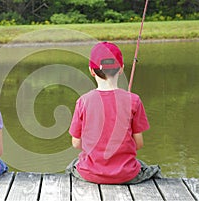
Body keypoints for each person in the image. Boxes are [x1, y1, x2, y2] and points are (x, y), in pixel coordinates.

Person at [66, 42, 162, 184]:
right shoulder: (134, 100)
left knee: (73, 165)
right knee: (148, 168)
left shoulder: (83, 101)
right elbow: (139, 144)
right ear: (121, 69)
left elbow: (76, 143)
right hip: (126, 175)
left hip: (91, 174)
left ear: (91, 71)